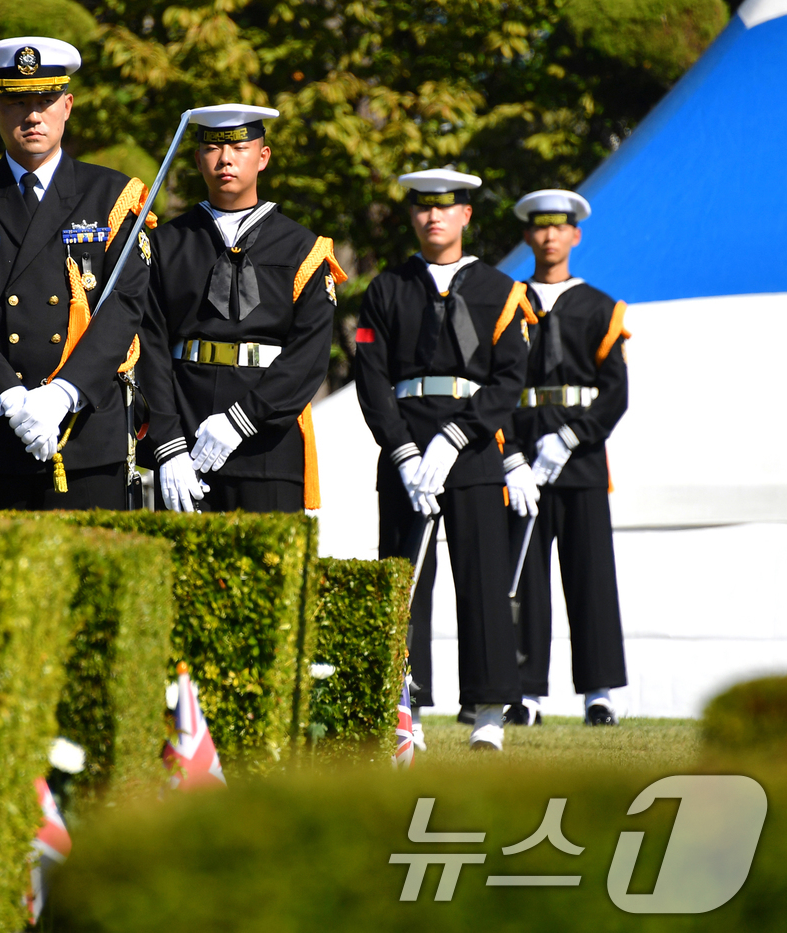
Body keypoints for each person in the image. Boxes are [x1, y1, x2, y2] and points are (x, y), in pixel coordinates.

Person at [0, 37, 154, 510]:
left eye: (46, 101)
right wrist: (8, 397)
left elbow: (123, 309)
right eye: (16, 102)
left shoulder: (111, 196)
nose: (33, 115)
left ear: (67, 106)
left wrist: (62, 396)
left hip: (84, 435)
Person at [353, 169, 535, 751]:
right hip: (406, 448)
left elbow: (509, 380)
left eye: (446, 208)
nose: (434, 217)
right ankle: (408, 706)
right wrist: (403, 450)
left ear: (466, 216)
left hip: (475, 449)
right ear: (413, 217)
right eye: (424, 208)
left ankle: (488, 711)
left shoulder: (502, 291)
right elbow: (370, 376)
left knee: (481, 580)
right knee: (405, 584)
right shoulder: (385, 289)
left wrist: (458, 436)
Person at [139, 105, 341, 513]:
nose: (226, 159)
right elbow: (148, 344)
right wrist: (167, 442)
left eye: (240, 147)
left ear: (263, 157)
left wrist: (242, 420)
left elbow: (308, 356)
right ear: (197, 159)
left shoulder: (303, 248)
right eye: (212, 148)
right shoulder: (166, 244)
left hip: (266, 443)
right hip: (185, 443)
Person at [503, 189, 630, 727]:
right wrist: (511, 454)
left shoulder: (601, 306)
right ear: (528, 234)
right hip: (524, 456)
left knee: (591, 576)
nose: (549, 236)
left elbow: (616, 392)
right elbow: (496, 385)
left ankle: (598, 693)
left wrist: (572, 437)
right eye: (539, 227)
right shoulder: (506, 301)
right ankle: (523, 694)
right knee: (523, 575)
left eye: (559, 227)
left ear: (575, 235)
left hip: (578, 459)